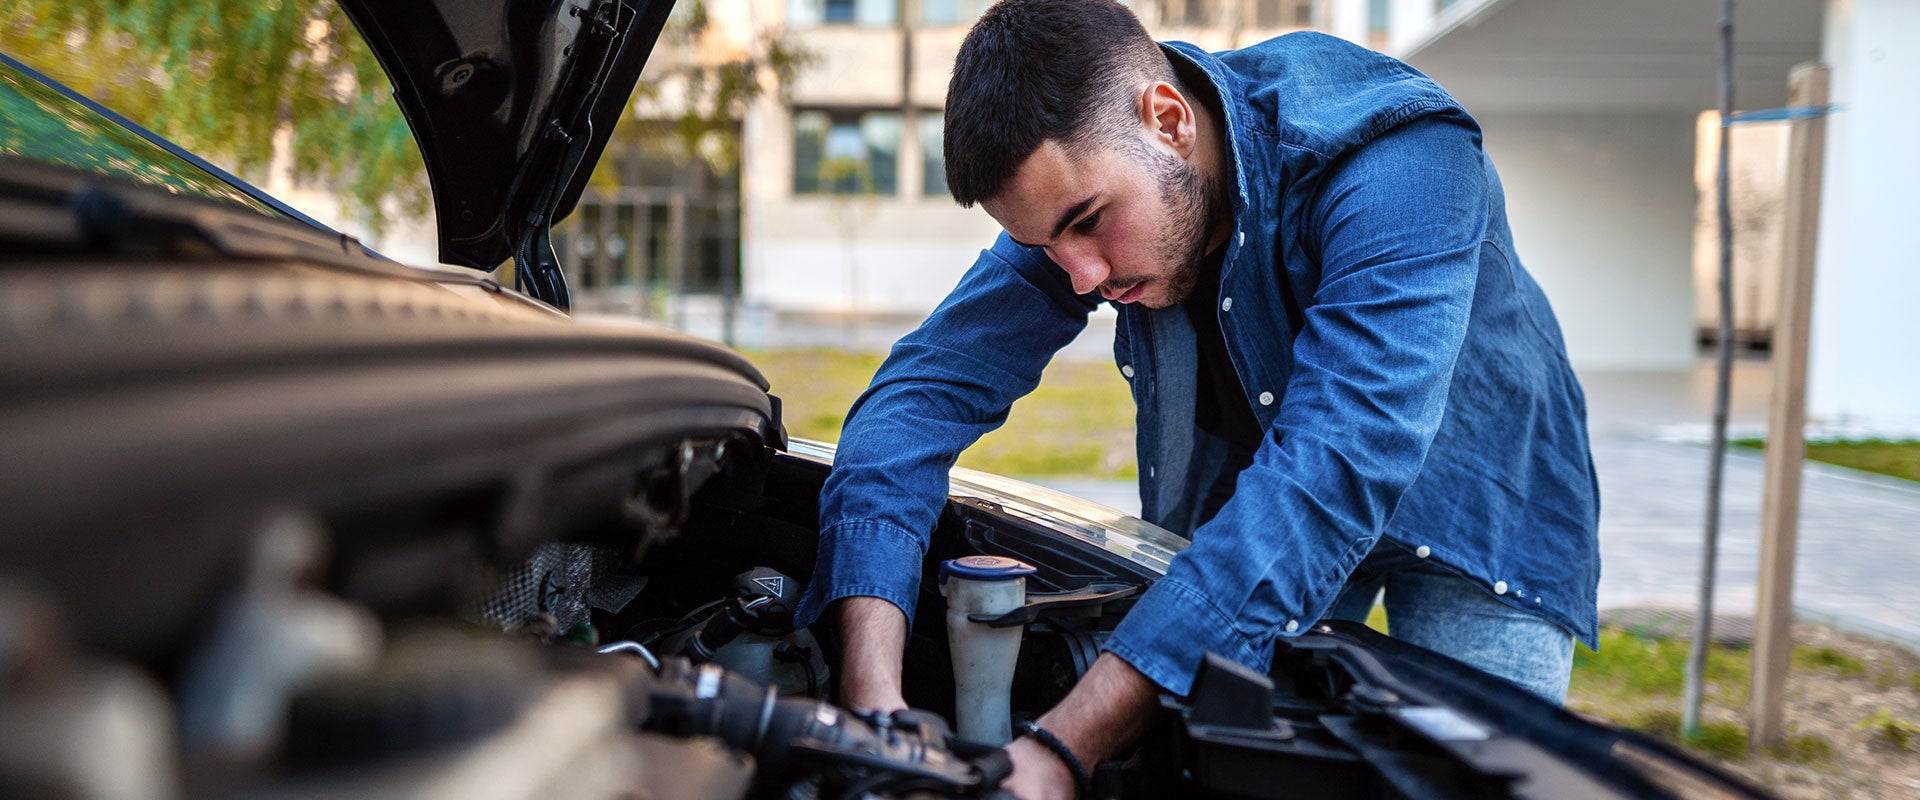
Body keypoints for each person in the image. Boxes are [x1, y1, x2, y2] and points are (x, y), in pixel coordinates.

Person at [793, 0, 1601, 797]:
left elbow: (1338, 463)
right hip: (1270, 493)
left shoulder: (1399, 156)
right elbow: (916, 399)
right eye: (1046, 244)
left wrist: (1060, 748)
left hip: (1481, 509)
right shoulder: (1095, 173)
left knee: (1472, 786)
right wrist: (872, 705)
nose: (1081, 278)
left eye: (1087, 222)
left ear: (1170, 120)